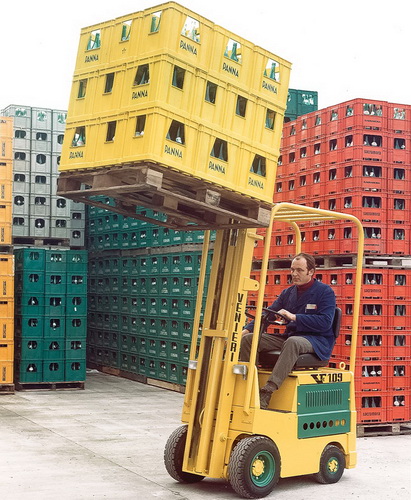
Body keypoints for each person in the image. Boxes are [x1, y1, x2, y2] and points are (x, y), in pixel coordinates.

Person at [240, 253, 336, 409]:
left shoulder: (325, 292)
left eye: (299, 270)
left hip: (316, 340)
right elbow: (268, 314)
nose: (294, 274)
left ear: (311, 272)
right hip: (291, 336)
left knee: (293, 342)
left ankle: (268, 390)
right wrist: (246, 330)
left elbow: (325, 322)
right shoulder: (288, 293)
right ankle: (249, 386)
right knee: (248, 340)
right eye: (292, 270)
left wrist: (294, 317)